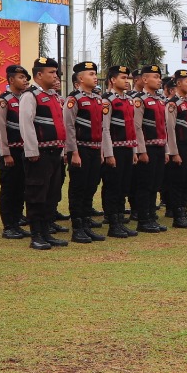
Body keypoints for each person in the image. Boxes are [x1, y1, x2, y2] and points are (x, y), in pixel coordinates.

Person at [21, 56, 72, 249]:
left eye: (56, 72)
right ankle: (36, 235)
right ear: (39, 75)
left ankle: (46, 231)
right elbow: (26, 124)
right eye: (51, 72)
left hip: (55, 152)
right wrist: (32, 150)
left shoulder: (54, 97)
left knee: (51, 193)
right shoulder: (31, 96)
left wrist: (63, 150)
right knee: (37, 194)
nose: (55, 75)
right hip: (39, 154)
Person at [65, 60, 113, 243]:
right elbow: (69, 127)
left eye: (95, 74)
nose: (95, 77)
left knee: (91, 187)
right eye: (91, 74)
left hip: (95, 149)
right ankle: (77, 228)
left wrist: (101, 150)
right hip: (81, 149)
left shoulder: (97, 99)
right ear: (80, 78)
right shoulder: (74, 99)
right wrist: (73, 152)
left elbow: (101, 127)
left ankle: (86, 224)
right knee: (78, 188)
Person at [101, 65, 140, 237]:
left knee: (124, 186)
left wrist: (134, 151)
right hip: (115, 149)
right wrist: (109, 153)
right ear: (112, 80)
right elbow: (105, 129)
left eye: (127, 78)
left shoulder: (128, 100)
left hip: (127, 148)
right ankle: (113, 223)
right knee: (113, 186)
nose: (127, 81)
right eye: (123, 78)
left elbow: (132, 127)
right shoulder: (107, 100)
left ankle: (119, 220)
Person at [0, 65, 32, 238]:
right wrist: (5, 153)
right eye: (21, 77)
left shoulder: (24, 99)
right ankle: (8, 226)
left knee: (21, 188)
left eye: (25, 78)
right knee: (9, 189)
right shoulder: (3, 101)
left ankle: (17, 221)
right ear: (10, 80)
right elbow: (0, 129)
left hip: (23, 151)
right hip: (11, 152)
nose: (24, 81)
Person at [131, 64, 170, 232]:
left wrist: (166, 149)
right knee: (145, 185)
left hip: (160, 147)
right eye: (155, 77)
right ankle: (143, 219)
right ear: (145, 79)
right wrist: (142, 150)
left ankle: (151, 216)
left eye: (159, 77)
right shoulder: (140, 100)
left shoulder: (160, 101)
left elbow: (164, 127)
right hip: (147, 147)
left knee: (155, 183)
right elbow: (137, 127)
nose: (159, 80)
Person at [164, 69, 187, 228]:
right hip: (179, 146)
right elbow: (170, 130)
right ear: (178, 83)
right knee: (177, 182)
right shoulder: (173, 104)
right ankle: (178, 215)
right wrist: (174, 152)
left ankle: (183, 212)